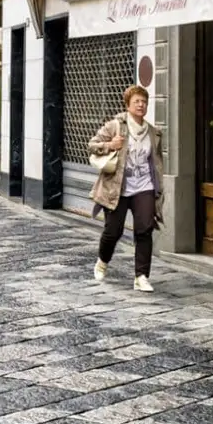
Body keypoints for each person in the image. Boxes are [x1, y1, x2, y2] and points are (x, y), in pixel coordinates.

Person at [88, 85, 165, 293]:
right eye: (137, 101)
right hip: (117, 187)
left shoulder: (153, 133)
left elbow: (156, 163)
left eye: (144, 101)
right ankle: (102, 262)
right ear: (128, 104)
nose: (141, 105)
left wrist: (159, 188)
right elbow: (92, 145)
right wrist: (110, 145)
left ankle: (141, 276)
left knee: (144, 230)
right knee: (113, 231)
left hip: (144, 187)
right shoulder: (115, 126)